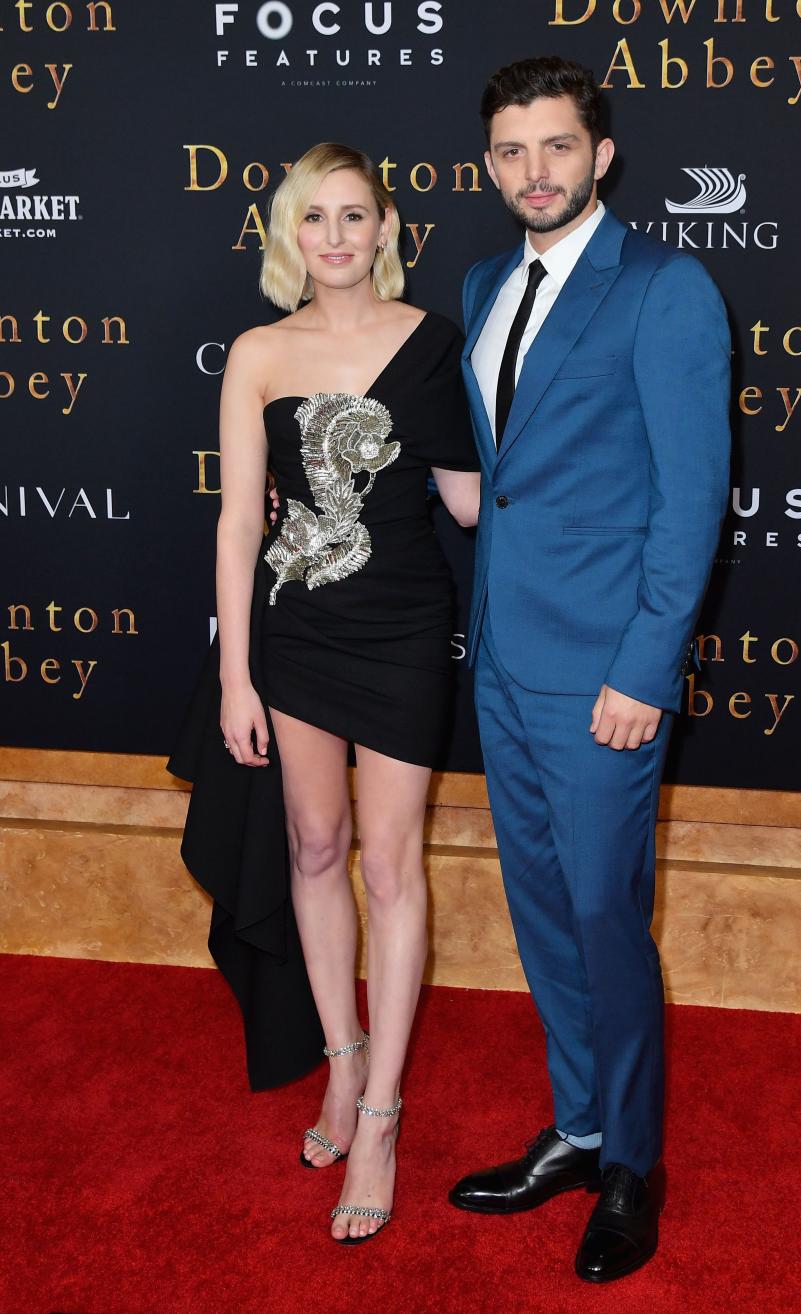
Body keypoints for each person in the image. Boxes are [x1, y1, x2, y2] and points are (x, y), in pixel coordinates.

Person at [447, 57, 731, 1284]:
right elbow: (503, 476)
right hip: (506, 656)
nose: (534, 174)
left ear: (601, 154)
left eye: (557, 148)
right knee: (544, 910)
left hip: (605, 673)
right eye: (511, 152)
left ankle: (634, 1166)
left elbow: (690, 504)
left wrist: (644, 671)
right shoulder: (481, 282)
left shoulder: (666, 289)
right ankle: (579, 1126)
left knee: (609, 915)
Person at [168, 143, 480, 1245]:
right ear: (287, 235)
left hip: (401, 627)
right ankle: (342, 1069)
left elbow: (471, 504)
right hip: (295, 626)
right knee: (311, 843)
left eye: (356, 216)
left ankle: (385, 1117)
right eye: (316, 218)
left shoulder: (433, 344)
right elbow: (238, 523)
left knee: (392, 864)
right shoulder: (257, 352)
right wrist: (236, 673)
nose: (337, 237)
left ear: (390, 228)